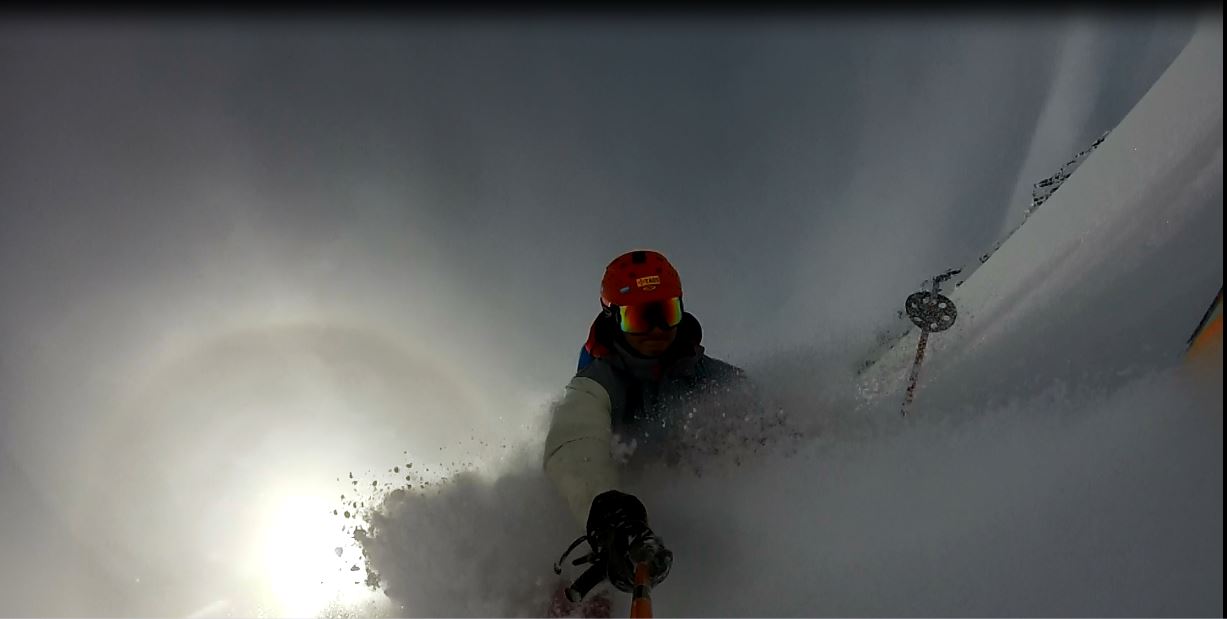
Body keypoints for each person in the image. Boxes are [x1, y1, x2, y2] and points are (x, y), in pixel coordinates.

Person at [543, 249, 774, 609]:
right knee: (586, 593)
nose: (655, 330)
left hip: (693, 499)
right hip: (610, 509)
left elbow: (763, 416)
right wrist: (608, 513)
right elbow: (573, 438)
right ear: (614, 319)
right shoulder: (598, 380)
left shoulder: (707, 375)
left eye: (666, 313)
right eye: (639, 318)